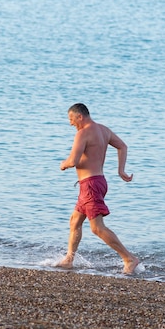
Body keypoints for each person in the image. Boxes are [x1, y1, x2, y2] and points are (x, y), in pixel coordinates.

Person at [56, 103, 139, 275]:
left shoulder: (83, 133)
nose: (71, 123)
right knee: (75, 221)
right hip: (97, 182)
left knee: (97, 228)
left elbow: (73, 160)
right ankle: (69, 260)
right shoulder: (103, 130)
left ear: (80, 116)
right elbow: (123, 146)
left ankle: (129, 259)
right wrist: (121, 170)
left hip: (90, 185)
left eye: (71, 119)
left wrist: (63, 164)